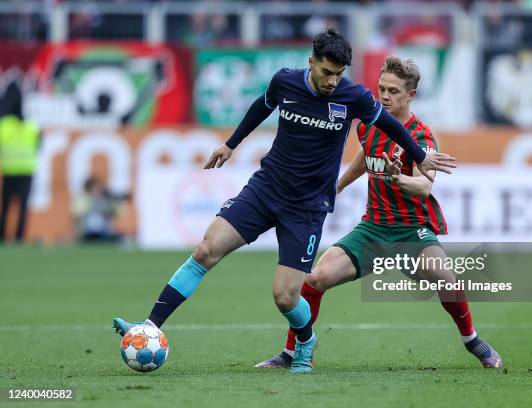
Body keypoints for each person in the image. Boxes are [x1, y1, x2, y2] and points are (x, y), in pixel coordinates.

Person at [112, 28, 456, 373]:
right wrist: (231, 143)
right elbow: (260, 107)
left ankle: (305, 339)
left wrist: (418, 155)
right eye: (326, 72)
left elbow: (392, 127)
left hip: (306, 207)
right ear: (311, 63)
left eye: (339, 74)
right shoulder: (285, 83)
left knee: (286, 296)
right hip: (266, 189)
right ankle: (150, 326)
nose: (332, 81)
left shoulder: (354, 98)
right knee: (206, 249)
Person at [255, 56, 502, 370]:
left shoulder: (421, 136)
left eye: (393, 91)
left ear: (411, 95)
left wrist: (399, 178)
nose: (384, 96)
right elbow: (365, 155)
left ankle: (473, 341)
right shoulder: (370, 124)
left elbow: (425, 187)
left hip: (411, 231)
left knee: (445, 276)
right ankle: (292, 352)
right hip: (372, 230)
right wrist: (337, 186)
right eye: (381, 88)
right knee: (316, 279)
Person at [0, 81, 39, 243]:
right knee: (23, 207)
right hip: (26, 171)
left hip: (9, 170)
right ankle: (19, 237)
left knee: (6, 207)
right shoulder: (31, 126)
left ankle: (2, 236)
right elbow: (38, 145)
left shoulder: (4, 126)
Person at [71, 176, 125, 243]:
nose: (98, 190)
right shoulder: (83, 199)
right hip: (87, 233)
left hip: (104, 233)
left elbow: (117, 213)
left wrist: (109, 203)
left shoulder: (105, 200)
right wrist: (93, 201)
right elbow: (77, 213)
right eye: (95, 188)